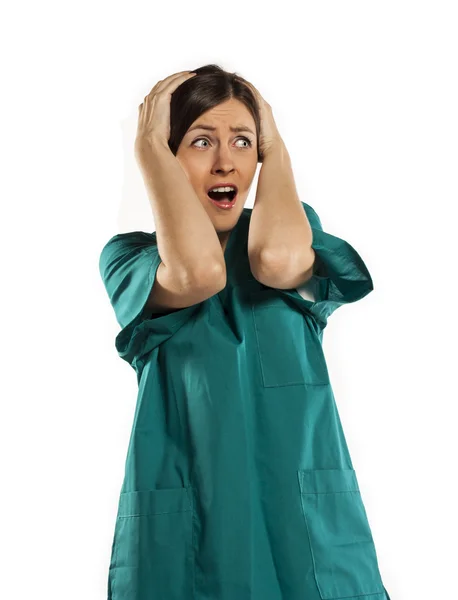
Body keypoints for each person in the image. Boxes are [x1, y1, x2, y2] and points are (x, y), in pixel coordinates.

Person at [99, 64, 392, 600]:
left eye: (242, 141)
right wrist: (147, 149)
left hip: (301, 525)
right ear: (167, 155)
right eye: (200, 141)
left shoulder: (289, 229)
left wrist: (276, 149)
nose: (225, 161)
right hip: (192, 524)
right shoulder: (131, 257)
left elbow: (277, 260)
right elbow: (197, 273)